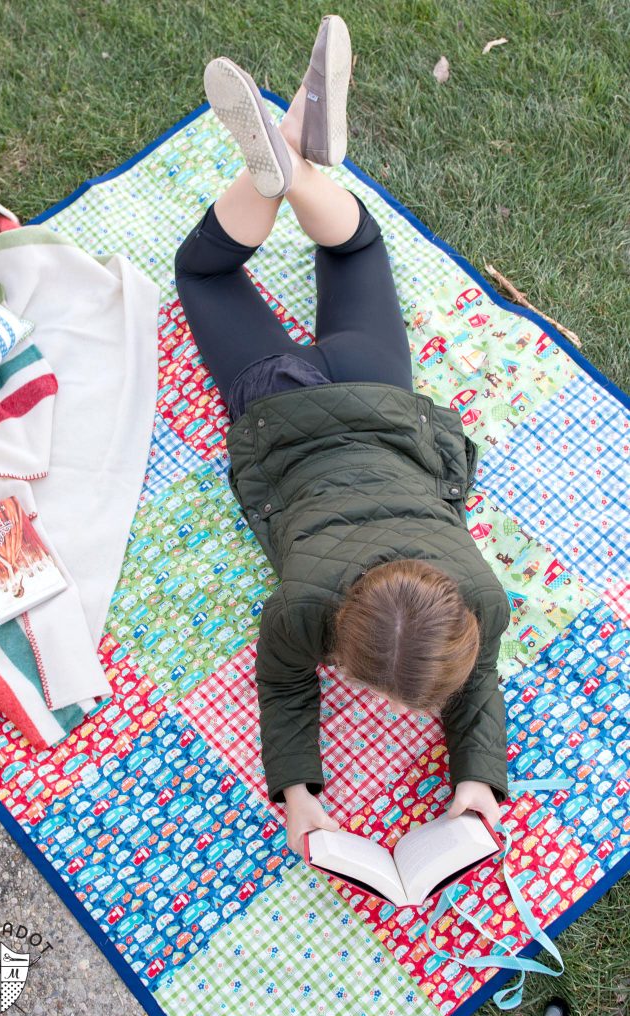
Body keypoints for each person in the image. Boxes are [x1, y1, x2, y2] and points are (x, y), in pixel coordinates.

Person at [174, 15, 511, 855]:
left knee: (356, 250)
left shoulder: (480, 589)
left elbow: (475, 672)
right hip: (278, 410)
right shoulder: (300, 603)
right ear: (338, 636)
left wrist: (474, 773)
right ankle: (278, 168)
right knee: (202, 273)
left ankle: (292, 164)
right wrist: (297, 793)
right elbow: (283, 688)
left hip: (373, 390)